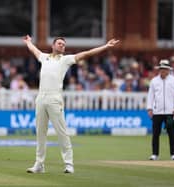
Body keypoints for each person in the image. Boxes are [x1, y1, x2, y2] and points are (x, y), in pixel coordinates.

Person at [23, 35, 119, 173]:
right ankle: (39, 164)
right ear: (53, 45)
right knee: (40, 133)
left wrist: (105, 46)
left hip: (55, 98)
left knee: (62, 132)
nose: (62, 46)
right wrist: (28, 42)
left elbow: (86, 54)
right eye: (59, 43)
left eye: (64, 44)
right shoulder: (44, 57)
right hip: (41, 97)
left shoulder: (66, 59)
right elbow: (34, 50)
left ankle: (69, 164)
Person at [147, 59, 174, 161]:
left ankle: (173, 154)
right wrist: (149, 108)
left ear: (168, 70)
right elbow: (150, 96)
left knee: (172, 133)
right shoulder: (154, 81)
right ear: (159, 69)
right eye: (162, 69)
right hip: (157, 111)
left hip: (170, 112)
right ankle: (155, 154)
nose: (163, 71)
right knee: (155, 133)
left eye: (165, 69)